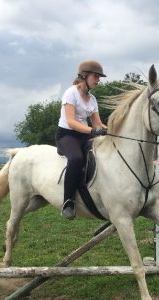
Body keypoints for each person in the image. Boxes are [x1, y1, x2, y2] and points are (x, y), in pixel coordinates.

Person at [55, 60, 108, 220]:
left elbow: (97, 123)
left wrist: (110, 131)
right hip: (67, 135)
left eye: (99, 77)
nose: (98, 80)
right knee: (77, 158)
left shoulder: (92, 99)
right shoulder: (70, 93)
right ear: (84, 75)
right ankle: (68, 201)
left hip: (85, 134)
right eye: (96, 76)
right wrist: (93, 130)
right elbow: (71, 121)